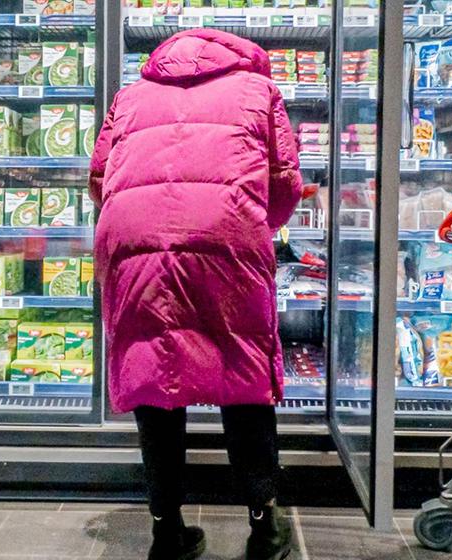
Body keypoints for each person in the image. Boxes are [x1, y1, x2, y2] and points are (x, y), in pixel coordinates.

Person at [88, 28, 303, 560]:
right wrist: (254, 224)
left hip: (133, 242)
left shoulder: (129, 96)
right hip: (225, 237)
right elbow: (284, 184)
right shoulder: (258, 90)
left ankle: (167, 533)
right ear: (239, 55)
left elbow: (99, 178)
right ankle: (265, 528)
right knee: (243, 374)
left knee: (153, 372)